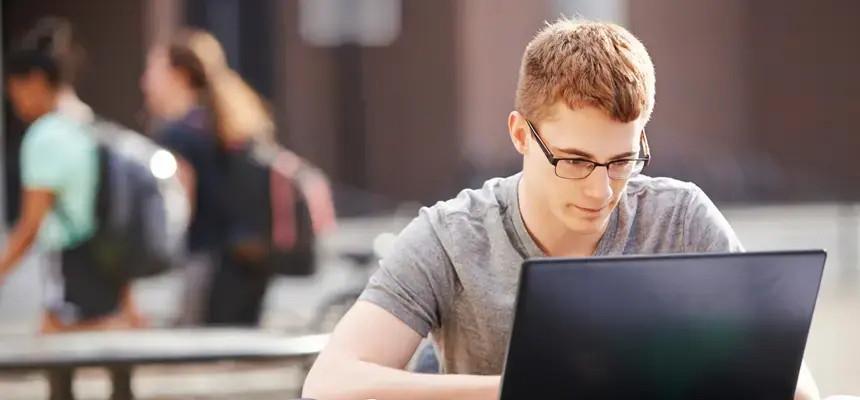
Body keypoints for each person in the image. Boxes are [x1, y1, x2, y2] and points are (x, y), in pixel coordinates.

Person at [302, 17, 821, 400]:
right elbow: (329, 385)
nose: (601, 191)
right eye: (574, 160)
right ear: (521, 135)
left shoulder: (680, 218)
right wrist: (521, 389)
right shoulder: (451, 237)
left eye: (622, 161)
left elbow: (794, 390)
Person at [0, 16, 144, 333]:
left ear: (36, 80)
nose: (14, 102)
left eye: (14, 91)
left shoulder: (46, 135)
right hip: (106, 264)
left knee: (68, 353)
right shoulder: (88, 124)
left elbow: (30, 225)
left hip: (72, 267)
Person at [141, 28, 276, 326]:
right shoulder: (224, 122)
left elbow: (178, 204)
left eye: (153, 70)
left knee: (198, 359)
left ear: (179, 74)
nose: (145, 82)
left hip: (206, 265)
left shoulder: (176, 133)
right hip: (247, 261)